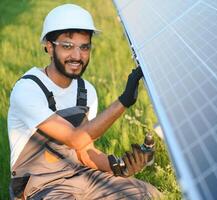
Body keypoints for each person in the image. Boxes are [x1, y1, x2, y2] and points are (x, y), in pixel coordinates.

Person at [7, 4, 161, 200]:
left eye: (84, 47)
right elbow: (74, 138)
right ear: (49, 46)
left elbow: (84, 150)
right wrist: (123, 101)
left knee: (148, 194)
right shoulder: (28, 89)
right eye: (67, 46)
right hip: (41, 186)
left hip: (80, 175)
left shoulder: (86, 90)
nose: (77, 56)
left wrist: (120, 167)